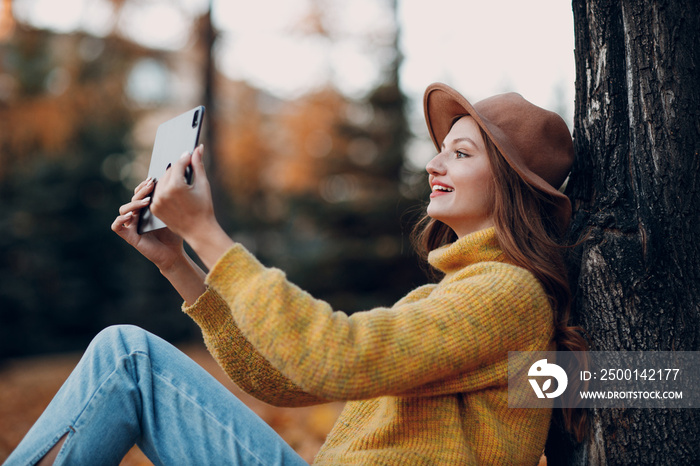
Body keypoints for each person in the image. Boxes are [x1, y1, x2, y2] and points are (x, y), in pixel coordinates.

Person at [4, 82, 587, 466]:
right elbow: (286, 380)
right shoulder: (456, 298)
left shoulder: (508, 293)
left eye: (462, 153)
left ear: (513, 186)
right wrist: (179, 263)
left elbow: (338, 356)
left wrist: (209, 235)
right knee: (125, 355)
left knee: (127, 355)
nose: (433, 162)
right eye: (441, 149)